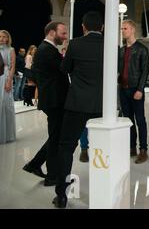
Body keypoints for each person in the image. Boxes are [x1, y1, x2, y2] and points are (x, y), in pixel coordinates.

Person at [53, 12, 104, 208]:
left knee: (66, 146)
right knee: (103, 148)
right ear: (102, 27)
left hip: (77, 104)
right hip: (102, 105)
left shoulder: (75, 44)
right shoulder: (111, 47)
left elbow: (64, 69)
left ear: (83, 27)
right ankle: (103, 190)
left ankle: (62, 195)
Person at [23, 22, 69, 185]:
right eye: (63, 33)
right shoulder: (46, 50)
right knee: (55, 138)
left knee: (55, 137)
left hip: (53, 100)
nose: (65, 37)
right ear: (51, 33)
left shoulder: (45, 50)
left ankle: (35, 165)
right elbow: (64, 68)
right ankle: (50, 176)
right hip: (54, 101)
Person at [118, 20, 149, 164]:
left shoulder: (142, 49)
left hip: (135, 90)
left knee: (140, 120)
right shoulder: (121, 50)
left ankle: (143, 149)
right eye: (122, 28)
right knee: (128, 120)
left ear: (132, 30)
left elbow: (145, 71)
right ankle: (132, 147)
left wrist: (140, 89)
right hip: (123, 89)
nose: (122, 30)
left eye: (125, 28)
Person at [0, 30, 16, 144]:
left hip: (4, 77)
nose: (1, 38)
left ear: (7, 38)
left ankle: (7, 134)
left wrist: (9, 81)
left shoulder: (11, 50)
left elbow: (12, 67)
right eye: (0, 36)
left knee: (5, 104)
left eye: (4, 36)